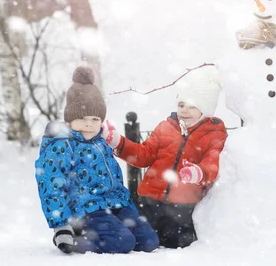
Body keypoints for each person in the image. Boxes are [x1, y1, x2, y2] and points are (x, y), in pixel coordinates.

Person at [35, 66, 159, 255]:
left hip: (114, 204)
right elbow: (51, 185)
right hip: (85, 209)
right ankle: (79, 238)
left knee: (149, 241)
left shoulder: (100, 142)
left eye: (95, 119)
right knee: (123, 243)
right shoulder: (62, 145)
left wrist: (128, 207)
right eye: (82, 118)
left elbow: (116, 179)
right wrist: (61, 225)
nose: (88, 124)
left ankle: (115, 230)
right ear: (70, 118)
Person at [103, 65, 227, 248]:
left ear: (205, 109)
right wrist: (118, 143)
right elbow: (143, 155)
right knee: (137, 241)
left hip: (181, 207)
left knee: (174, 246)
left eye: (193, 106)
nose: (184, 110)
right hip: (148, 201)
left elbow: (212, 162)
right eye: (181, 104)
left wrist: (198, 172)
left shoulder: (213, 133)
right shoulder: (165, 127)